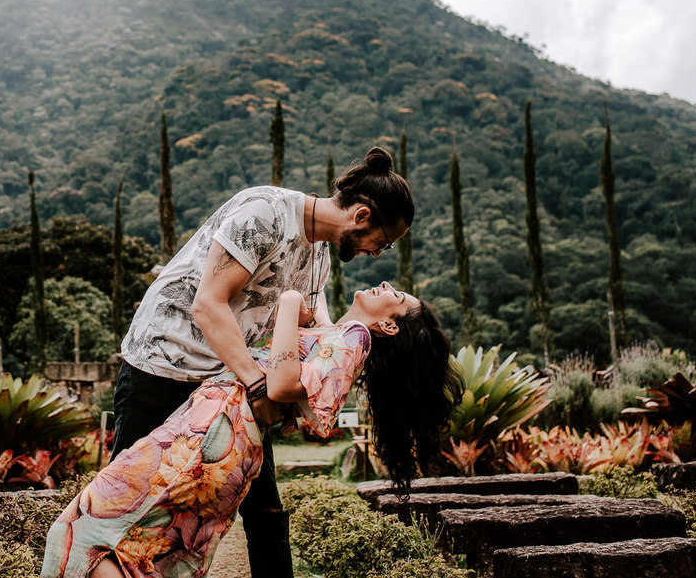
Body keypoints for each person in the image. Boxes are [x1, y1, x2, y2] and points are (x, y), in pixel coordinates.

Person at [106, 145, 413, 577]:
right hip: (161, 367)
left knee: (266, 509)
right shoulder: (264, 213)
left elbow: (315, 323)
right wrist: (257, 386)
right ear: (361, 216)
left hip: (226, 384)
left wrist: (342, 358)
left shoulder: (319, 255)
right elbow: (208, 304)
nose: (377, 253)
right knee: (121, 501)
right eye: (382, 242)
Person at [41, 283, 461, 577]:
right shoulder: (342, 336)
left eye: (396, 296)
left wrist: (291, 302)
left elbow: (282, 385)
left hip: (210, 437)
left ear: (390, 326)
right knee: (149, 553)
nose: (386, 285)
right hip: (225, 443)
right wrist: (307, 312)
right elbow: (316, 348)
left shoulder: (355, 338)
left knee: (81, 530)